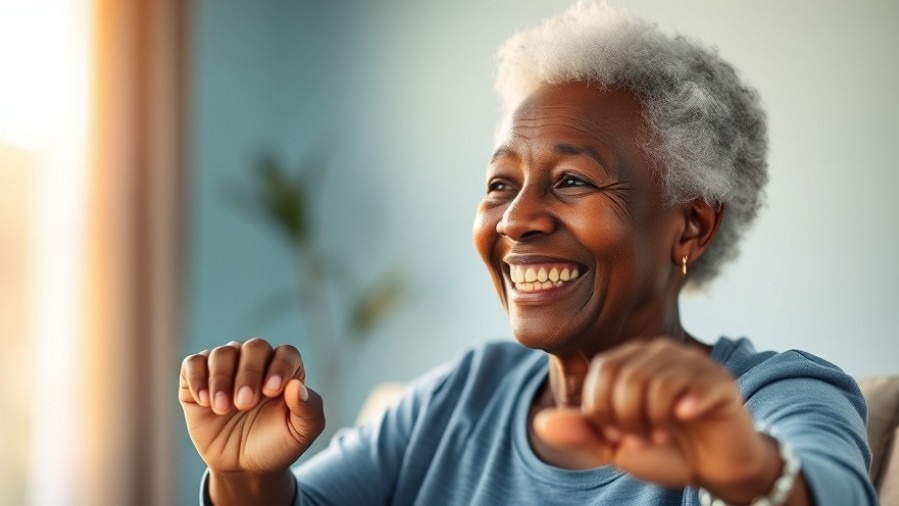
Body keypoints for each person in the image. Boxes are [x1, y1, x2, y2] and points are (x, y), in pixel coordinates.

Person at [179, 2, 877, 505]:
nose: (516, 220)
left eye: (571, 180)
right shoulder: (458, 398)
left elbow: (828, 489)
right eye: (499, 184)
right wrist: (246, 478)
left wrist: (748, 473)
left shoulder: (769, 395)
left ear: (689, 226)